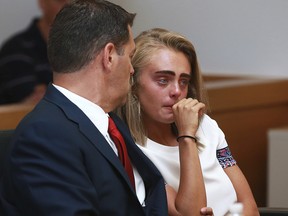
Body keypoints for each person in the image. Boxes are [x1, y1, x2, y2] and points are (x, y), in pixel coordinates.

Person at [0, 1, 169, 215]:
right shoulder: (43, 136)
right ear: (108, 57)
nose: (132, 70)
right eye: (130, 56)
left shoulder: (110, 122)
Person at [118, 28, 259, 216]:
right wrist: (186, 136)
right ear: (133, 83)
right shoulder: (130, 150)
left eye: (183, 81)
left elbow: (247, 204)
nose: (176, 91)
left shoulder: (206, 126)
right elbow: (190, 213)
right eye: (162, 80)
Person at [0, 0, 69, 105]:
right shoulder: (16, 50)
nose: (69, 6)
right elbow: (30, 104)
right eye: (60, 1)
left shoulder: (87, 47)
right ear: (42, 3)